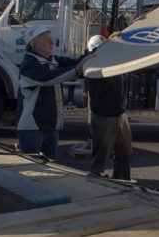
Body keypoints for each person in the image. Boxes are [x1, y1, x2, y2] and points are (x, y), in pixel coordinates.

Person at [17, 28, 89, 160]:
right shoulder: (29, 65)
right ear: (34, 44)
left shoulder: (52, 61)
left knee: (51, 168)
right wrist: (76, 70)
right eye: (47, 41)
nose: (52, 43)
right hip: (32, 129)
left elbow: (75, 62)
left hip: (51, 127)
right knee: (31, 171)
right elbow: (46, 78)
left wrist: (94, 53)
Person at [86, 37, 134, 181]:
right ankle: (95, 183)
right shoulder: (92, 64)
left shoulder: (111, 61)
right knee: (102, 154)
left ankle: (122, 180)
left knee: (125, 152)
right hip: (103, 115)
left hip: (119, 113)